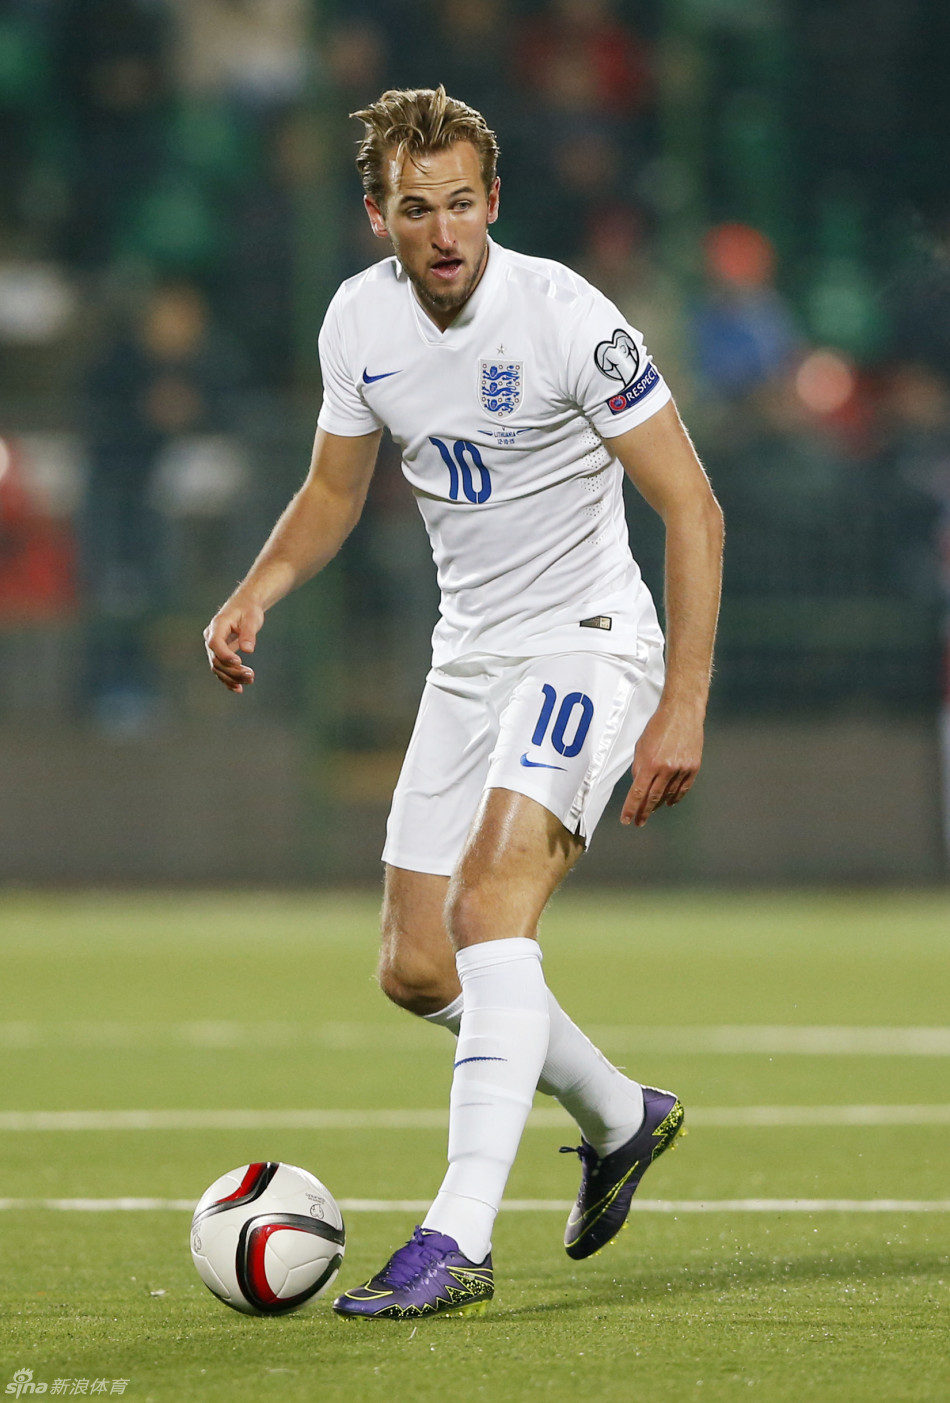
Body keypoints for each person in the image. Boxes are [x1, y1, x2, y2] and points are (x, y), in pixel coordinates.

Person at [203, 86, 723, 1320]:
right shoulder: (357, 320)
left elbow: (690, 505)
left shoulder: (564, 317)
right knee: (415, 963)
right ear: (375, 215)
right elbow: (334, 491)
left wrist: (682, 701)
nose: (441, 233)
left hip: (585, 645)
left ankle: (457, 1239)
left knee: (490, 905)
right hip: (469, 657)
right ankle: (619, 1113)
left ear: (493, 201)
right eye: (414, 208)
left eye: (459, 205)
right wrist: (256, 588)